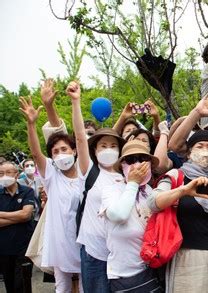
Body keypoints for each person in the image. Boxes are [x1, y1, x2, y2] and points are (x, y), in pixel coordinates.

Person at [148, 130, 208, 293]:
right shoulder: (177, 175)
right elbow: (153, 202)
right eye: (200, 146)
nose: (205, 150)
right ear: (189, 153)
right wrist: (183, 191)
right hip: (186, 259)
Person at [19, 91, 87, 292]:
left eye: (64, 149)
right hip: (59, 244)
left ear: (74, 151)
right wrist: (31, 124)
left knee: (86, 287)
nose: (60, 154)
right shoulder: (52, 175)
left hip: (84, 242)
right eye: (55, 151)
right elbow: (35, 153)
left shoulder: (85, 174)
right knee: (62, 288)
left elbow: (82, 137)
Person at [69, 81, 127, 293]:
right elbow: (80, 139)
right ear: (95, 150)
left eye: (113, 146)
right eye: (103, 145)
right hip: (94, 253)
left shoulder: (126, 176)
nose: (108, 149)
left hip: (120, 254)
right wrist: (76, 102)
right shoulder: (89, 170)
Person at [99, 140, 162, 292]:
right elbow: (118, 214)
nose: (138, 164)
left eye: (142, 158)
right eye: (131, 160)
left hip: (152, 269)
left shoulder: (152, 192)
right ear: (122, 165)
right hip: (124, 275)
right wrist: (133, 183)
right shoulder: (112, 189)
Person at [0, 161, 35, 293]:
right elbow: (22, 215)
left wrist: (2, 215)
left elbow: (26, 215)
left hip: (24, 247)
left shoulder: (27, 191)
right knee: (9, 284)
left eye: (8, 172)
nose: (4, 176)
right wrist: (18, 217)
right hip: (4, 249)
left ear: (16, 174)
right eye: (1, 173)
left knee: (23, 283)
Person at [17, 159, 43, 223]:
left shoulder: (40, 180)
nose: (30, 167)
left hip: (39, 215)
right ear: (23, 169)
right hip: (28, 216)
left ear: (35, 167)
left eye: (32, 165)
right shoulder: (19, 182)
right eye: (27, 166)